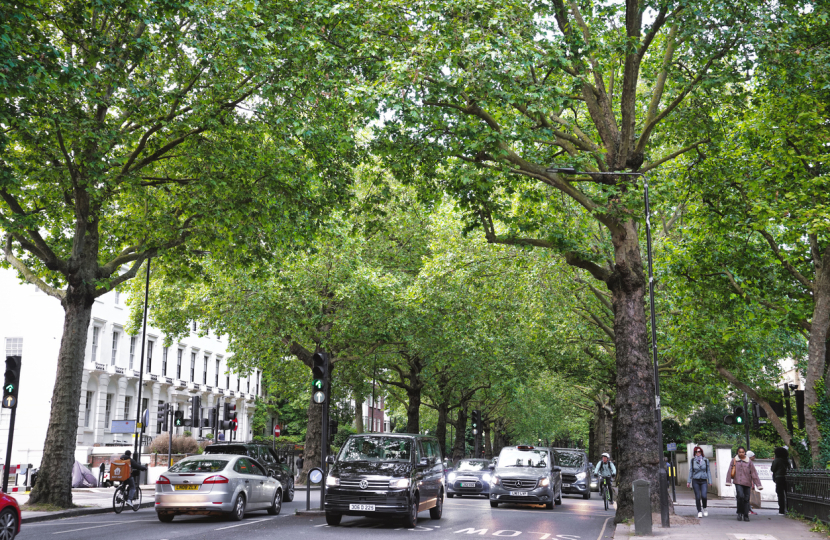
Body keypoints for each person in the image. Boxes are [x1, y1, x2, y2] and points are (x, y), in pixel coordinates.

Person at [726, 446, 762, 522]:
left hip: (747, 482)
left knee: (746, 499)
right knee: (740, 496)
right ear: (737, 453)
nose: (741, 453)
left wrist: (758, 484)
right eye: (740, 452)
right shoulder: (734, 460)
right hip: (738, 482)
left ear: (745, 452)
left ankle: (746, 515)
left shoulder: (749, 461)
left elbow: (754, 473)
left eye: (742, 452)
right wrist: (728, 481)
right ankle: (739, 513)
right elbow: (730, 470)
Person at [686, 446, 712, 518]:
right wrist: (688, 481)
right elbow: (691, 471)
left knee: (704, 496)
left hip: (703, 480)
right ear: (694, 453)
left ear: (701, 452)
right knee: (697, 497)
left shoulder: (706, 460)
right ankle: (699, 511)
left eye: (699, 451)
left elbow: (708, 471)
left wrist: (710, 480)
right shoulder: (692, 461)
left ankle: (705, 508)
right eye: (696, 451)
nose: (698, 453)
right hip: (695, 480)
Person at [770, 446, 790, 515]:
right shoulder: (787, 460)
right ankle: (788, 509)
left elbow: (773, 469)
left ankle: (781, 510)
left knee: (780, 494)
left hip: (779, 478)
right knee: (787, 494)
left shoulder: (777, 460)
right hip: (787, 478)